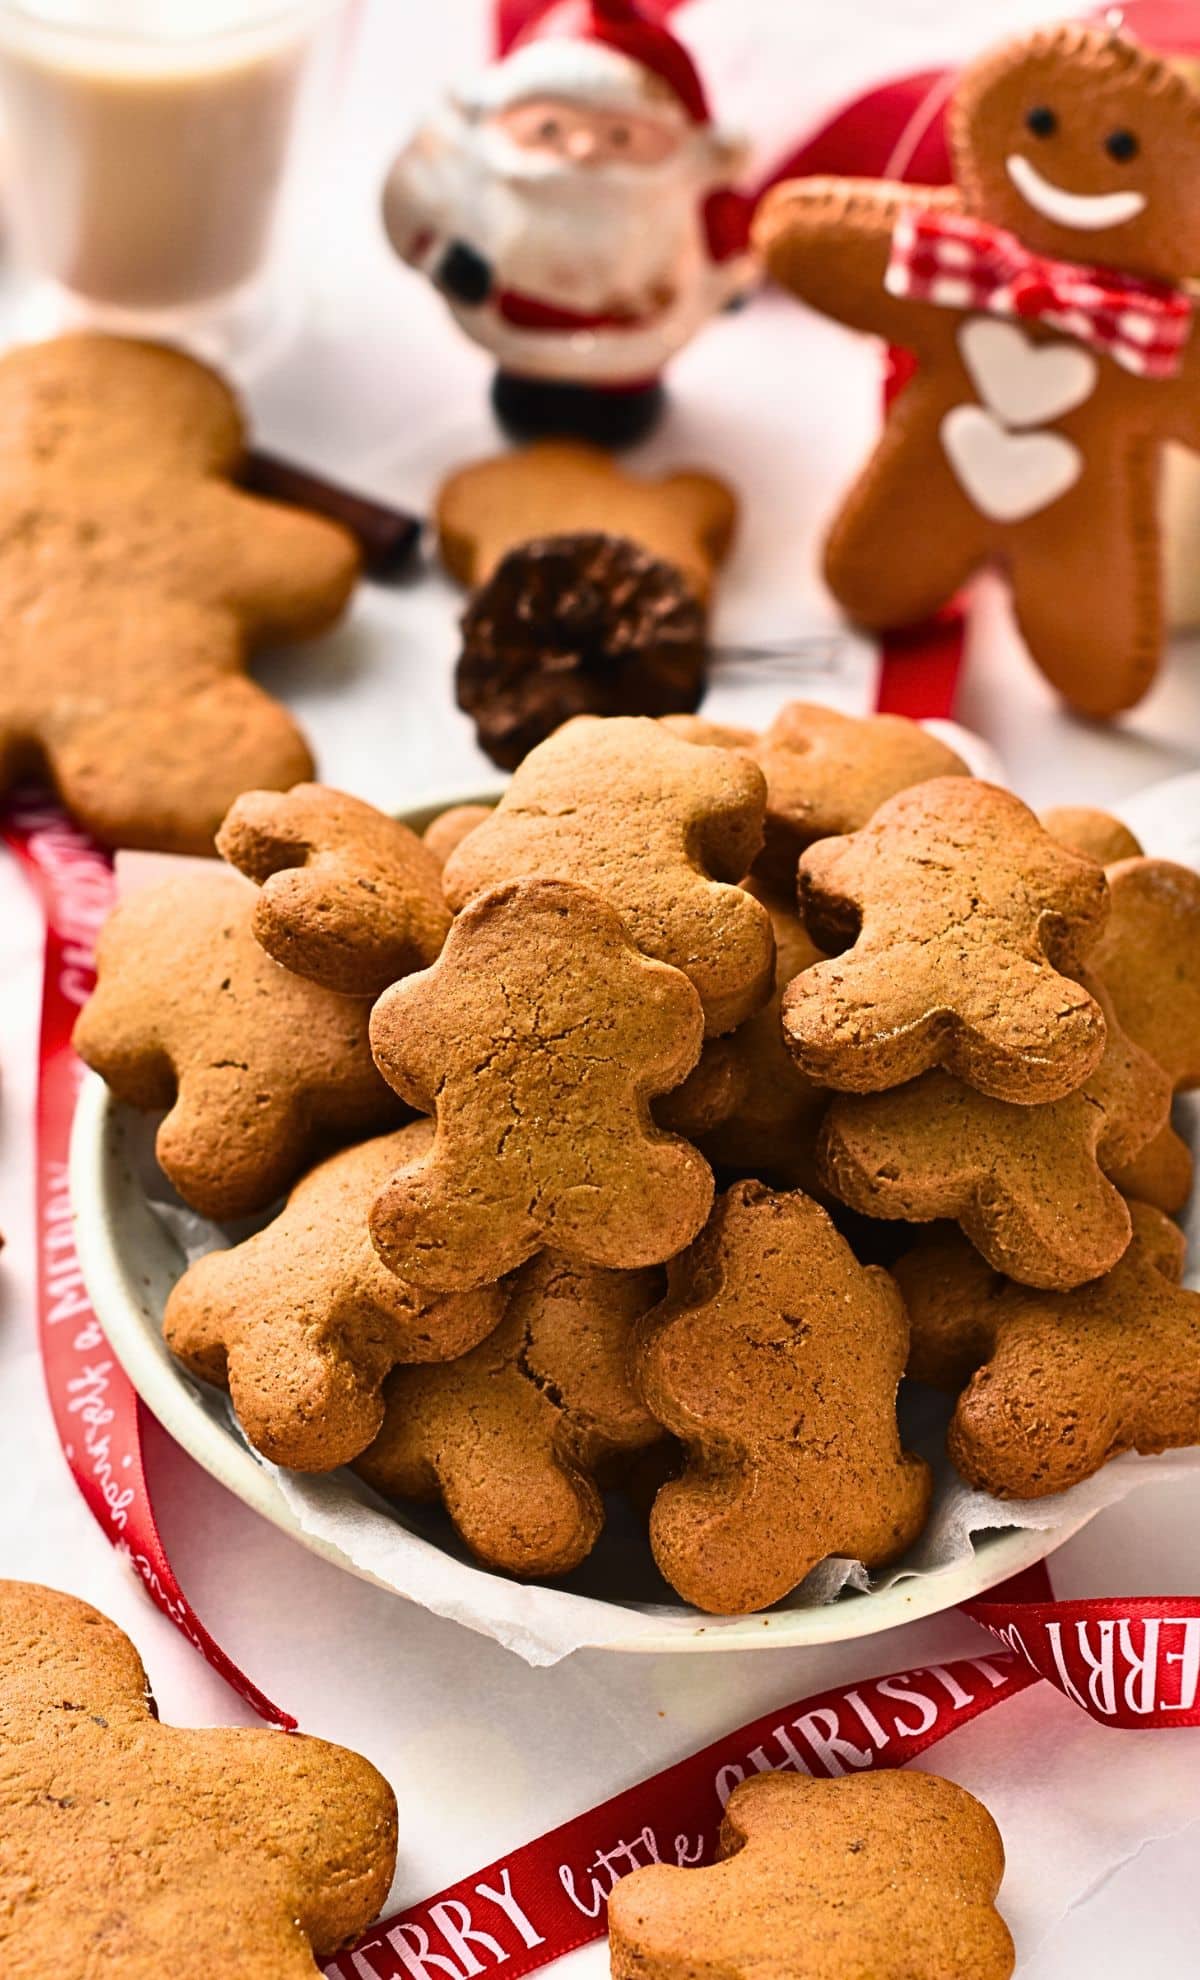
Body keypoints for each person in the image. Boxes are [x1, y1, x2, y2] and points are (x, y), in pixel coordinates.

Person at [383, 0, 756, 444]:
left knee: (622, 419)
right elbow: (417, 213)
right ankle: (529, 403)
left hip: (636, 345)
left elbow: (732, 248)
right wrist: (448, 262)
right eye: (549, 130)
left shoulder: (690, 196)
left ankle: (622, 408)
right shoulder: (469, 171)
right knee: (526, 408)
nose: (581, 150)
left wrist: (730, 281)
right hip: (514, 332)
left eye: (620, 136)